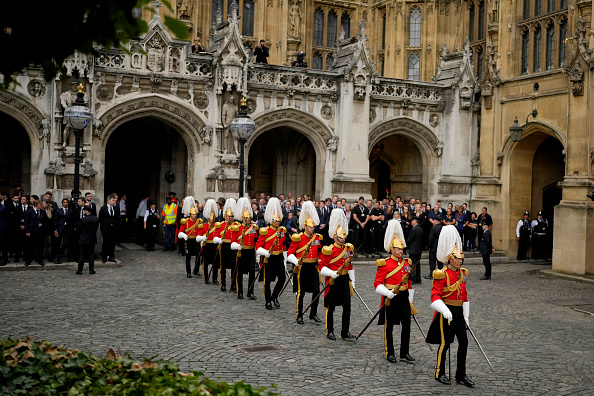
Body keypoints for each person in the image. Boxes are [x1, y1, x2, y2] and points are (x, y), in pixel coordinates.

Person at [426, 225, 474, 388]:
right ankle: (440, 372)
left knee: (464, 342)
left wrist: (466, 315)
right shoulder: (442, 274)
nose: (461, 261)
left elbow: (465, 296)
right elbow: (434, 297)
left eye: (462, 259)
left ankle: (461, 374)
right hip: (446, 312)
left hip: (459, 311)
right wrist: (444, 310)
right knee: (445, 343)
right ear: (451, 259)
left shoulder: (462, 274)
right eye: (458, 259)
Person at [374, 219, 416, 363]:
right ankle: (389, 352)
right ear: (392, 249)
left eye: (402, 249)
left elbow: (409, 281)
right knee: (389, 326)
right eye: (398, 249)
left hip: (404, 297)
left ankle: (404, 352)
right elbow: (377, 283)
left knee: (407, 325)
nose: (401, 251)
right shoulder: (384, 264)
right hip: (390, 297)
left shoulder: (406, 263)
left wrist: (410, 299)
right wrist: (387, 293)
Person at [319, 208, 356, 341]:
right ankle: (330, 330)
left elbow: (349, 265)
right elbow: (321, 266)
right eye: (341, 237)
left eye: (344, 236)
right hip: (333, 281)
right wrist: (332, 273)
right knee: (331, 307)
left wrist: (353, 282)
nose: (343, 239)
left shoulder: (347, 248)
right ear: (335, 237)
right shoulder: (329, 250)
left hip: (344, 280)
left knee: (347, 306)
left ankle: (345, 331)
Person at [287, 201, 323, 324]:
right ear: (305, 226)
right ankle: (299, 314)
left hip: (313, 267)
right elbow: (289, 254)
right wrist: (296, 261)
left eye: (313, 227)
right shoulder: (298, 237)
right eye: (310, 227)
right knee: (301, 292)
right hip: (302, 267)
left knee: (317, 291)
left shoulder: (317, 238)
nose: (312, 229)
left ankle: (313, 313)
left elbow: (319, 253)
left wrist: (320, 260)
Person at [255, 198, 287, 310]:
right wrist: (265, 253)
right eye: (276, 220)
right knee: (267, 281)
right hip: (268, 258)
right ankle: (268, 300)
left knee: (282, 278)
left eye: (279, 220)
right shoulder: (265, 231)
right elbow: (258, 246)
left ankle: (274, 297)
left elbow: (283, 245)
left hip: (278, 258)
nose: (278, 222)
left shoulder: (282, 231)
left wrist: (285, 257)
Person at [232, 197, 258, 300]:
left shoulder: (253, 228)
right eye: (246, 218)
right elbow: (232, 242)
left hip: (251, 251)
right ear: (242, 218)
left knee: (252, 272)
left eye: (249, 218)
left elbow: (256, 239)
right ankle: (240, 291)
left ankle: (250, 292)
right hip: (241, 252)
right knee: (240, 273)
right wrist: (238, 246)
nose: (247, 220)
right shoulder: (237, 228)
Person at [178, 197, 205, 278]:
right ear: (190, 215)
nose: (195, 215)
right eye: (193, 214)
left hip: (196, 240)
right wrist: (184, 235)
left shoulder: (199, 221)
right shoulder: (185, 221)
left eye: (195, 214)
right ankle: (188, 272)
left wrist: (200, 237)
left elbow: (201, 230)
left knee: (198, 255)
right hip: (188, 240)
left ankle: (196, 271)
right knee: (188, 257)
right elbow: (180, 232)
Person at [217, 198, 240, 291]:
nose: (229, 218)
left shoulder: (237, 225)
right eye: (228, 216)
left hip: (233, 246)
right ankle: (223, 283)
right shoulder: (221, 225)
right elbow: (217, 235)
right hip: (224, 246)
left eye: (231, 216)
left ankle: (233, 284)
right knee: (223, 265)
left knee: (233, 265)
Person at [201, 199, 223, 284]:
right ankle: (206, 277)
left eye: (213, 218)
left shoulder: (218, 226)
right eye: (210, 218)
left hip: (215, 245)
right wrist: (204, 238)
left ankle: (214, 278)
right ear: (207, 218)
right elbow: (200, 235)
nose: (212, 219)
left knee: (216, 263)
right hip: (207, 245)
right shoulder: (204, 226)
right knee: (205, 262)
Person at [76, 205, 100, 275]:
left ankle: (80, 270)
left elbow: (79, 229)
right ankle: (91, 270)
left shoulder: (82, 219)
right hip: (92, 238)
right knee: (91, 254)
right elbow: (96, 229)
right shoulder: (96, 219)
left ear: (86, 211)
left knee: (82, 255)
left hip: (83, 238)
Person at [24, 199, 47, 266]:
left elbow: (45, 222)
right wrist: (27, 231)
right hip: (32, 232)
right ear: (36, 205)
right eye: (40, 204)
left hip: (40, 232)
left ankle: (40, 260)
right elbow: (26, 222)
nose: (41, 206)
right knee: (30, 247)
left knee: (40, 247)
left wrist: (44, 229)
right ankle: (28, 260)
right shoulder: (29, 211)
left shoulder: (42, 212)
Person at [99, 194, 119, 263]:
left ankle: (111, 256)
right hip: (106, 228)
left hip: (113, 228)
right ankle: (104, 257)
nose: (114, 202)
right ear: (108, 201)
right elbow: (100, 219)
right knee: (105, 242)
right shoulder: (103, 208)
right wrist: (104, 227)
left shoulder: (116, 208)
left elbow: (117, 218)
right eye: (113, 200)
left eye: (114, 200)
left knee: (112, 243)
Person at [53, 198, 72, 264]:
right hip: (59, 229)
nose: (65, 203)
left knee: (65, 243)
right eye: (64, 202)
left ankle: (58, 256)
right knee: (57, 244)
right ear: (62, 203)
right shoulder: (58, 211)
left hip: (67, 229)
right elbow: (55, 221)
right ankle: (56, 257)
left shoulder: (71, 211)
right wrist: (55, 230)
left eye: (66, 202)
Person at [425, 213, 443, 279]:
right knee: (440, 261)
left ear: (435, 221)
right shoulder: (442, 228)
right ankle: (441, 273)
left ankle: (432, 274)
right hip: (440, 247)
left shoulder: (433, 228)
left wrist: (428, 247)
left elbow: (431, 239)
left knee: (432, 261)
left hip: (433, 248)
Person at [407, 217, 423, 284]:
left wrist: (407, 246)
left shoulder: (413, 229)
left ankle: (413, 278)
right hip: (419, 249)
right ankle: (418, 278)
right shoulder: (421, 229)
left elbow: (409, 239)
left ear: (416, 222)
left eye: (412, 220)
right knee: (417, 264)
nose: (411, 221)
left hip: (413, 249)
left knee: (412, 264)